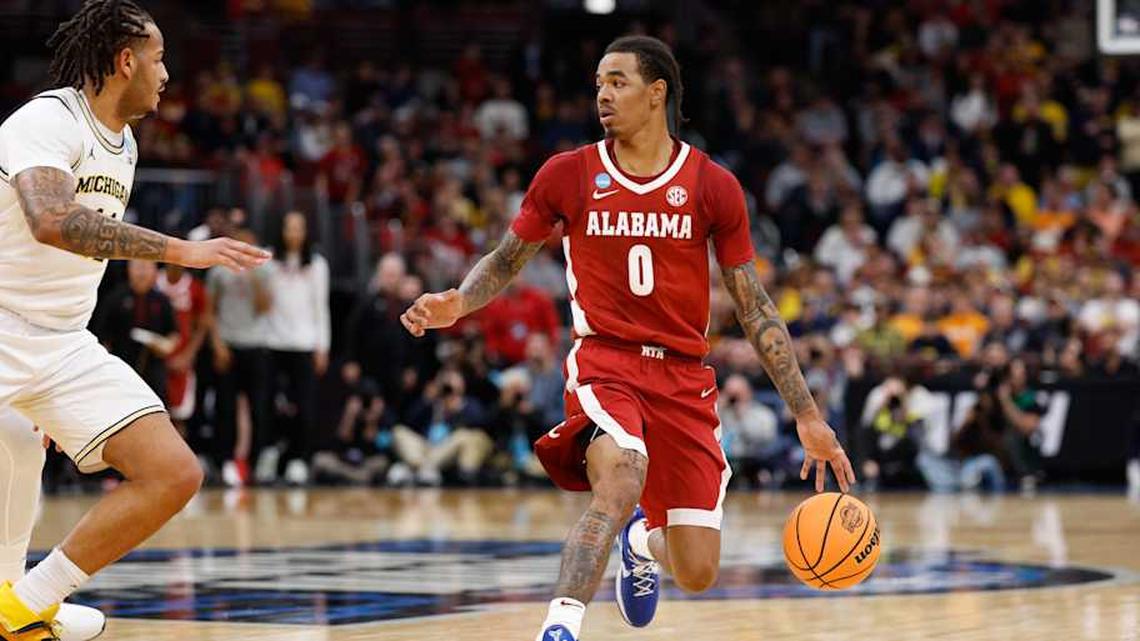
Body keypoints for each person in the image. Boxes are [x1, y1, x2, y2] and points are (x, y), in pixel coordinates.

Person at [400, 35, 853, 641]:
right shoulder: (568, 173)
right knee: (620, 479)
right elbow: (506, 259)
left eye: (618, 82)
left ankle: (641, 541)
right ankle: (560, 626)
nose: (603, 96)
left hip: (683, 378)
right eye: (598, 85)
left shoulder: (712, 185)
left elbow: (754, 306)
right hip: (606, 363)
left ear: (657, 92)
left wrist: (807, 414)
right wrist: (458, 301)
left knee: (697, 571)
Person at [0, 3, 269, 640]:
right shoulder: (47, 119)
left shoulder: (125, 144)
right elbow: (52, 222)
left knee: (174, 473)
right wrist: (181, 251)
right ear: (126, 61)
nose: (166, 74)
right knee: (14, 446)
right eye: (158, 59)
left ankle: (25, 604)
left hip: (63, 343)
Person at [263, 211, 330, 485]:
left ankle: (298, 460)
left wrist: (322, 346)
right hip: (272, 342)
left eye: (298, 228)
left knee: (304, 406)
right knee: (268, 405)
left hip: (304, 344)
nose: (293, 233)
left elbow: (320, 307)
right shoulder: (268, 261)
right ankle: (268, 457)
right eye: (289, 228)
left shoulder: (317, 264)